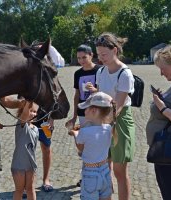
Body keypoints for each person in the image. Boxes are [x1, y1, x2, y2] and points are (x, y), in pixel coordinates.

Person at [92, 32, 135, 200]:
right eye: (98, 54)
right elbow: (100, 97)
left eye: (104, 54)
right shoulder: (101, 72)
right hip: (103, 120)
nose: (101, 58)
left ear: (115, 50)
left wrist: (95, 121)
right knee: (104, 167)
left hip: (120, 121)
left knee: (119, 171)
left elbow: (118, 106)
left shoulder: (124, 74)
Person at [65, 44, 101, 186]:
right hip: (82, 114)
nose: (81, 61)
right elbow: (77, 95)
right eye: (79, 58)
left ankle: (98, 174)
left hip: (98, 113)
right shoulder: (78, 73)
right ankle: (86, 176)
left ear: (91, 55)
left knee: (97, 145)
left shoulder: (100, 70)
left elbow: (104, 92)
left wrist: (95, 90)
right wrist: (74, 116)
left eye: (84, 57)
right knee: (84, 146)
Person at [68, 92, 114, 200]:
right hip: (105, 170)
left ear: (94, 111)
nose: (84, 111)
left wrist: (74, 133)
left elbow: (80, 147)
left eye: (86, 108)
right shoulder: (109, 128)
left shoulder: (84, 132)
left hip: (90, 173)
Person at [146, 45, 171, 200]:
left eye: (163, 68)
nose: (161, 73)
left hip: (169, 153)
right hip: (165, 153)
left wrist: (161, 107)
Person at [11, 101, 39, 200]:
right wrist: (29, 100)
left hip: (31, 164)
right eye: (31, 111)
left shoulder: (36, 128)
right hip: (19, 164)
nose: (33, 114)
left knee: (31, 189)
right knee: (19, 190)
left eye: (35, 112)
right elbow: (25, 113)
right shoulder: (21, 124)